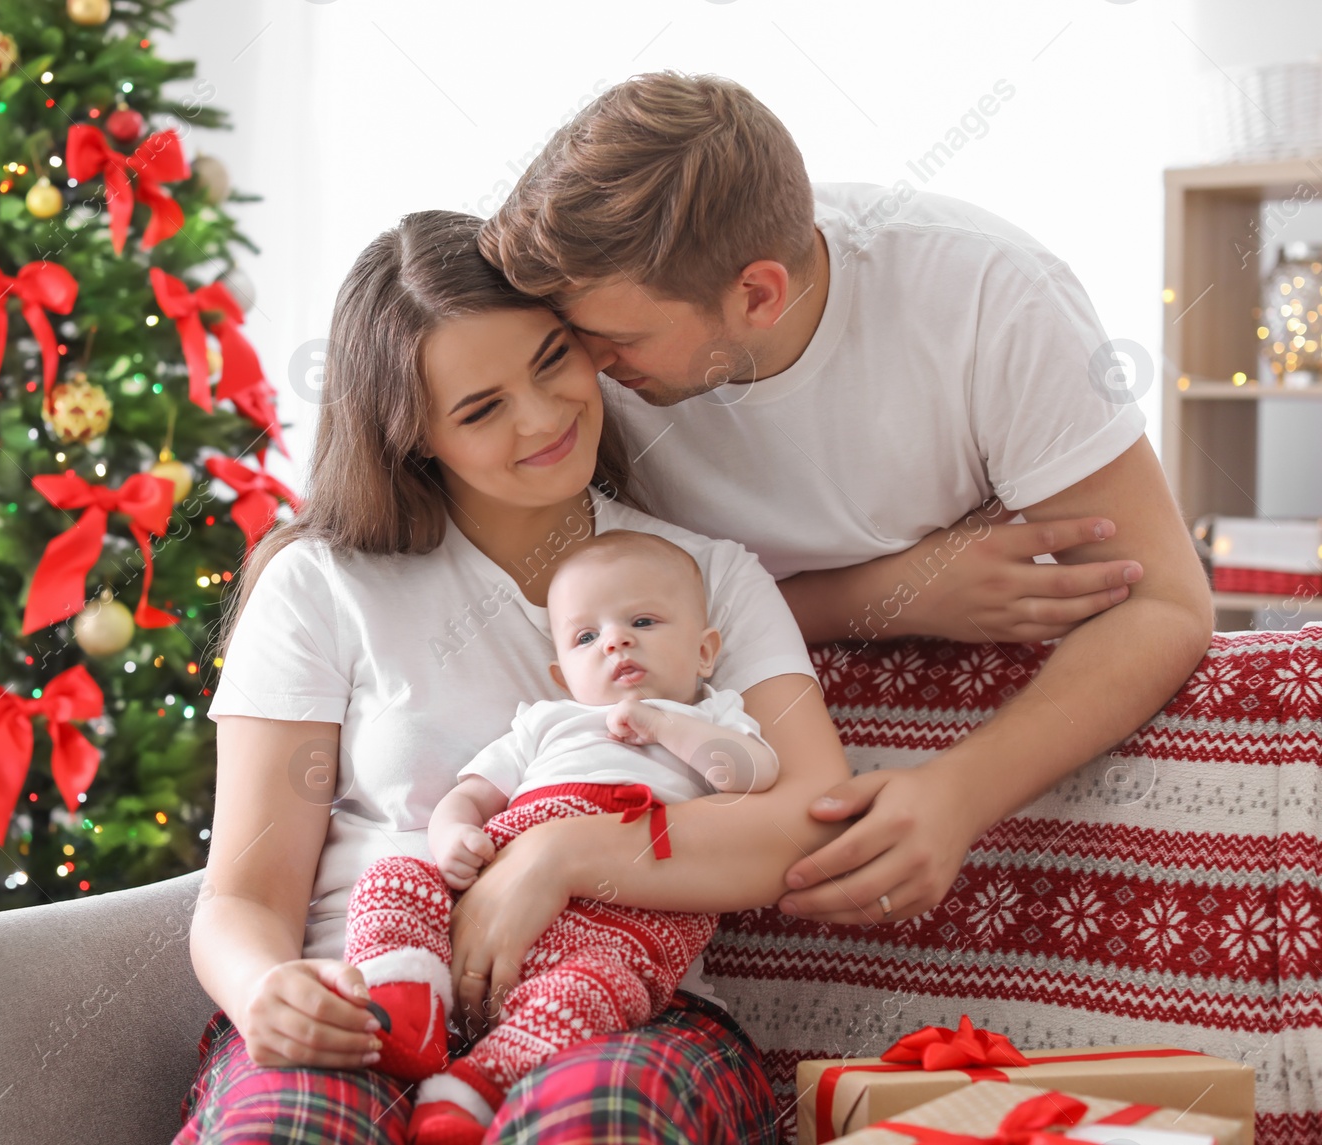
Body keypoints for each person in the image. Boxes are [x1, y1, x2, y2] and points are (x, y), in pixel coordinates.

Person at [468, 70, 1213, 963]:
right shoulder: (584, 356)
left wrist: (958, 791)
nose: (576, 372)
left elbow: (1166, 600)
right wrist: (893, 592)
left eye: (614, 341)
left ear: (757, 295)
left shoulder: (989, 300)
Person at [176, 210, 851, 1144]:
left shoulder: (705, 576)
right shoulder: (320, 582)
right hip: (363, 990)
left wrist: (561, 853)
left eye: (550, 361)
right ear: (415, 437)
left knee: (597, 1122)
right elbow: (244, 896)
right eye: (481, 408)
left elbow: (811, 820)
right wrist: (265, 992)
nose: (542, 417)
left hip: (620, 1006)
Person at [341, 531, 781, 1143]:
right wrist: (453, 837)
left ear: (705, 651)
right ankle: (404, 1003)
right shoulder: (547, 722)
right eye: (585, 637)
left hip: (627, 919)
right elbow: (469, 796)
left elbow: (754, 774)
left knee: (591, 993)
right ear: (562, 674)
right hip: (492, 891)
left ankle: (472, 1091)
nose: (616, 641)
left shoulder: (713, 716)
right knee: (394, 878)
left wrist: (665, 726)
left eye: (643, 621)